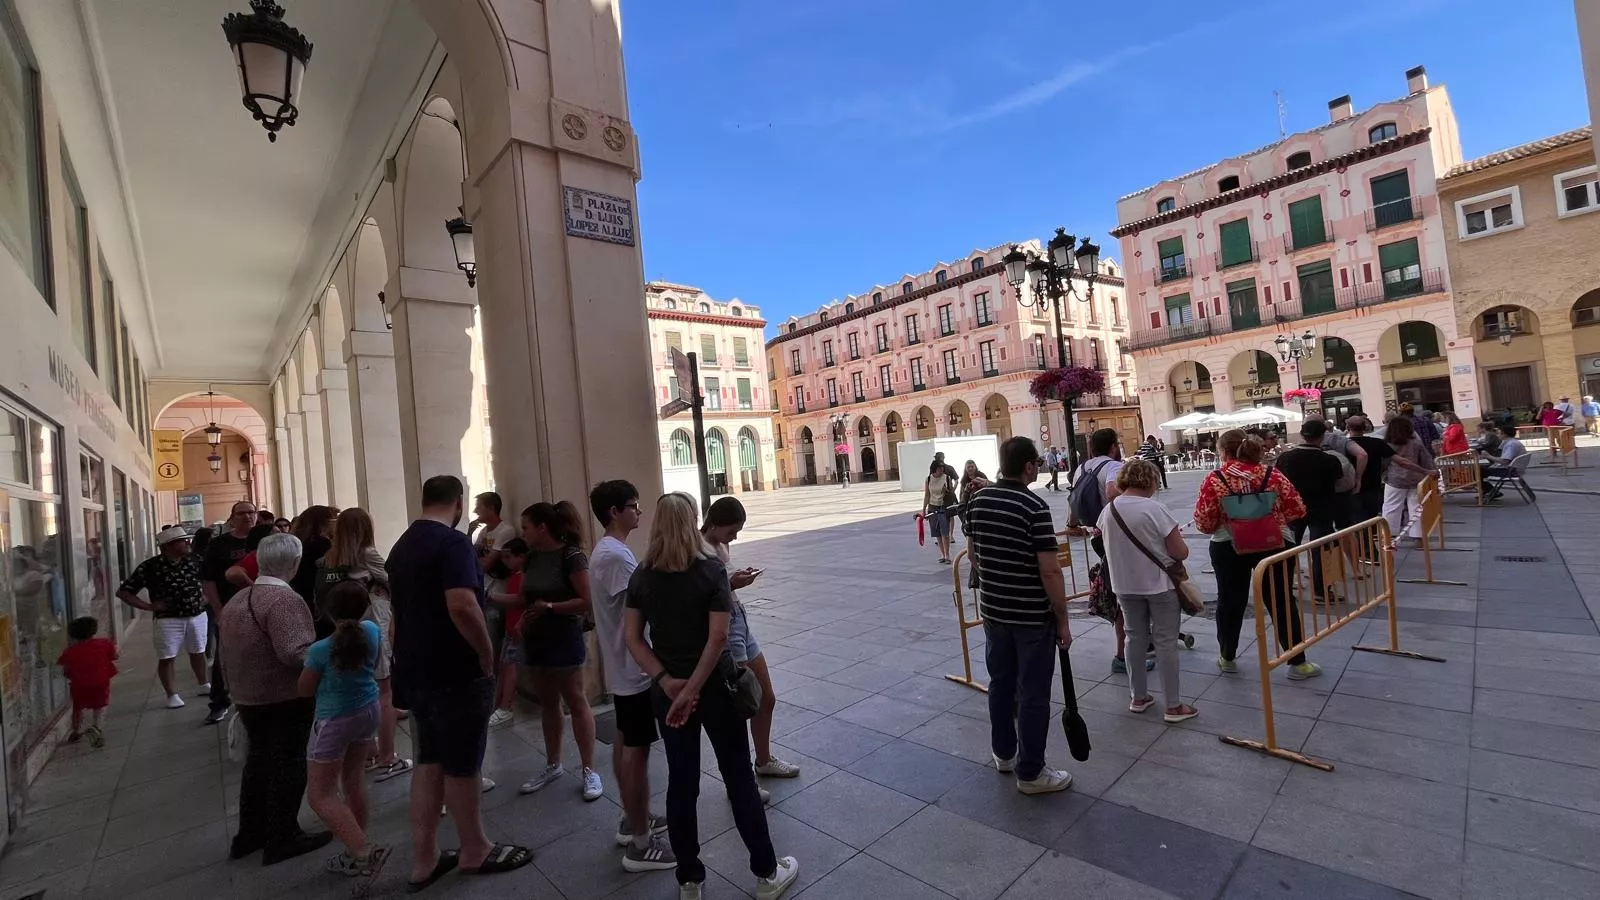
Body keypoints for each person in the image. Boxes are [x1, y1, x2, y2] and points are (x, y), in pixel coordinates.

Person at [625, 492, 800, 899]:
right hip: (716, 690)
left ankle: (689, 879)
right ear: (690, 521)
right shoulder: (709, 571)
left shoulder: (643, 575)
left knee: (682, 785)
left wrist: (670, 683)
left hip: (668, 696)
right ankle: (766, 873)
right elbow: (718, 638)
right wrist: (692, 688)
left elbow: (633, 638)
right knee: (738, 776)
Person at [388, 475, 532, 887]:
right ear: (457, 501)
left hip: (415, 670)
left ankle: (425, 857)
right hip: (454, 670)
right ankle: (475, 848)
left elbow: (400, 614)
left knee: (428, 761)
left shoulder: (403, 545)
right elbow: (462, 604)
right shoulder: (452, 543)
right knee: (463, 764)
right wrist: (485, 653)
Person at [966, 436, 1074, 794]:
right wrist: (1062, 619)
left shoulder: (979, 499)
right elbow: (1050, 571)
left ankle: (1004, 753)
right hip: (1031, 617)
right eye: (1037, 463)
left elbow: (973, 549)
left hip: (994, 613)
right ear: (1028, 466)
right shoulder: (1034, 507)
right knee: (1033, 693)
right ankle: (1031, 772)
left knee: (1000, 684)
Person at [220, 533, 330, 865]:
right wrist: (331, 648)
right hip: (282, 696)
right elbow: (295, 653)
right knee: (288, 763)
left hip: (247, 696)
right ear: (294, 563)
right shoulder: (283, 600)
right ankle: (282, 836)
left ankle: (250, 834)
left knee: (259, 763)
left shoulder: (239, 598)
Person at [587, 481, 675, 872]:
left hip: (624, 669)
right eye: (633, 506)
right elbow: (647, 604)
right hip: (633, 671)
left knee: (625, 744)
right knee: (636, 753)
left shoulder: (611, 552)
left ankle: (633, 819)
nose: (639, 512)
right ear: (614, 512)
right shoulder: (615, 557)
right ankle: (640, 844)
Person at [1194, 429, 1320, 680]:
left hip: (1228, 546)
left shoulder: (1216, 478)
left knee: (1230, 601)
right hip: (1274, 544)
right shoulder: (1272, 474)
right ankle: (1298, 662)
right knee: (1282, 599)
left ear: (1223, 451)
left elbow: (1204, 522)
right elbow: (1297, 508)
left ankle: (1227, 656)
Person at [702, 497, 797, 787]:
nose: (735, 537)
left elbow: (721, 582)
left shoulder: (718, 545)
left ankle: (764, 760)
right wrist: (731, 583)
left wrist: (734, 579)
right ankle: (741, 781)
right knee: (740, 704)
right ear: (714, 524)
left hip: (740, 621)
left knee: (765, 697)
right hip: (727, 629)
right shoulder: (698, 550)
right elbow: (705, 591)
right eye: (732, 531)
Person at [515, 501, 603, 802]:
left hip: (565, 636)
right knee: (548, 702)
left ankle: (590, 769)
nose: (522, 532)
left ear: (542, 528)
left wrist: (550, 607)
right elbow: (524, 598)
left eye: (526, 527)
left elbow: (587, 600)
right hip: (537, 639)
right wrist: (486, 599)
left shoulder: (572, 555)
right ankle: (553, 763)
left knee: (576, 701)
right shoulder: (531, 558)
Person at [299, 580, 388, 877]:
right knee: (353, 778)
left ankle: (362, 851)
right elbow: (373, 663)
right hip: (368, 710)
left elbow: (304, 689)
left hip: (334, 720)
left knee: (320, 794)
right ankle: (355, 842)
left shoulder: (321, 649)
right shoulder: (372, 632)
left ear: (327, 611)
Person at [1096, 460, 1195, 723]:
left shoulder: (1109, 510)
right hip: (1159, 584)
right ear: (1150, 480)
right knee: (1165, 641)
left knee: (1133, 638)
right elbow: (1179, 552)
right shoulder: (1154, 509)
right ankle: (1173, 706)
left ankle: (1138, 697)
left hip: (1124, 586)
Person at [318, 508, 410, 783]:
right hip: (374, 620)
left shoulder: (331, 557)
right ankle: (387, 755)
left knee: (365, 686)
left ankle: (368, 752)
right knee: (385, 691)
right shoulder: (367, 553)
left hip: (347, 624)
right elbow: (394, 580)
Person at [1068, 428, 1148, 675]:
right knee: (1128, 594)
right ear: (1113, 447)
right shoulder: (1112, 466)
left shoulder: (1083, 468)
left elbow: (1073, 499)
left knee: (1121, 591)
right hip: (1116, 536)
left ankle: (1137, 642)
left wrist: (1071, 524)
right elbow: (1113, 492)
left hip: (1097, 536)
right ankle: (1124, 655)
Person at [116, 526, 209, 709]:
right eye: (183, 541)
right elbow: (124, 592)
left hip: (197, 615)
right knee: (167, 656)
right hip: (168, 619)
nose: (188, 543)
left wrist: (206, 597)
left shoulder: (195, 560)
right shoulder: (150, 567)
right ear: (169, 545)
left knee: (198, 651)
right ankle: (171, 694)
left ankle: (203, 683)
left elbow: (209, 580)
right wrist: (149, 607)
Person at [1275, 419, 1347, 602]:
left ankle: (1284, 590)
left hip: (1292, 509)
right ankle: (1321, 590)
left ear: (1301, 434)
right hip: (1321, 509)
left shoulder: (1285, 458)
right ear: (1322, 436)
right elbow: (1339, 484)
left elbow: (1278, 483)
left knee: (1288, 549)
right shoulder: (1330, 460)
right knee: (1321, 549)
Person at [201, 500, 258, 724]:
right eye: (242, 513)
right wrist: (218, 609)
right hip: (229, 608)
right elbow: (208, 579)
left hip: (261, 606)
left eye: (251, 512)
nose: (247, 517)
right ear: (232, 517)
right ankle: (219, 703)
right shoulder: (219, 545)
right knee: (224, 655)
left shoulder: (265, 541)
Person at [471, 492, 518, 727]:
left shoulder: (505, 531)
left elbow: (485, 564)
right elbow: (472, 559)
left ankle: (496, 701)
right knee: (488, 646)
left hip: (498, 593)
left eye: (479, 506)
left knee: (495, 648)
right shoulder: (482, 533)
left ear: (491, 508)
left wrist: (479, 561)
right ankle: (491, 697)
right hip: (485, 594)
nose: (476, 510)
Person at [485, 538, 529, 730]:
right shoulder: (515, 575)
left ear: (521, 557)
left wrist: (491, 597)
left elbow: (521, 600)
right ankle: (498, 705)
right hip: (510, 629)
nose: (505, 561)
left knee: (510, 668)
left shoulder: (524, 576)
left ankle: (506, 707)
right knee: (503, 667)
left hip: (518, 629)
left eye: (509, 557)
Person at [57, 616, 118, 746]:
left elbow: (65, 669)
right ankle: (97, 728)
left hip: (79, 685)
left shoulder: (70, 652)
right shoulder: (105, 643)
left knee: (78, 708)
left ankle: (76, 732)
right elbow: (114, 656)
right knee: (100, 706)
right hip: (101, 682)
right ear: (93, 630)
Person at [1382, 416, 1435, 546]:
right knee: (1417, 508)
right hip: (1416, 479)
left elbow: (1384, 462)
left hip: (1395, 479)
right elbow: (1426, 459)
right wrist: (1431, 471)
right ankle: (1418, 537)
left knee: (1391, 507)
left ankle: (1389, 535)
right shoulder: (1416, 442)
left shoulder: (1388, 443)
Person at [291, 506, 340, 622]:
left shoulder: (299, 544)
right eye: (336, 521)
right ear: (323, 524)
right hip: (320, 605)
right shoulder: (323, 547)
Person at [1345, 416, 1396, 524]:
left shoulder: (1345, 444)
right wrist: (1383, 470)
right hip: (1373, 483)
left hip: (1352, 486)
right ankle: (1371, 539)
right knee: (1372, 515)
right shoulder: (1377, 443)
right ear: (1365, 428)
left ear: (1347, 428)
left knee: (1357, 518)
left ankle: (1363, 540)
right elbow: (1392, 458)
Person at [1480, 423, 1529, 501]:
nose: (1498, 434)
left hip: (1509, 471)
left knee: (1478, 471)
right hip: (1512, 469)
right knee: (1482, 469)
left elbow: (1505, 461)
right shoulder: (1512, 442)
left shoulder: (1511, 444)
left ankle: (1491, 491)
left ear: (1504, 434)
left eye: (1499, 433)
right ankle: (1489, 491)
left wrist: (1488, 456)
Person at [922, 460, 958, 565]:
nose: (941, 470)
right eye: (939, 468)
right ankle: (942, 554)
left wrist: (947, 490)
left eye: (942, 468)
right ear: (934, 469)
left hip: (943, 506)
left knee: (944, 532)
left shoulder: (946, 478)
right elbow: (927, 495)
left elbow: (951, 492)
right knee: (937, 531)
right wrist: (924, 508)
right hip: (933, 507)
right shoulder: (928, 479)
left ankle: (947, 555)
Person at [958, 461, 992, 540]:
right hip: (969, 508)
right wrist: (966, 492)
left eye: (972, 467)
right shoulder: (964, 481)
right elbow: (962, 499)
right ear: (965, 469)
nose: (970, 469)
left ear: (975, 467)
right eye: (968, 467)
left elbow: (988, 488)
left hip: (982, 506)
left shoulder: (981, 476)